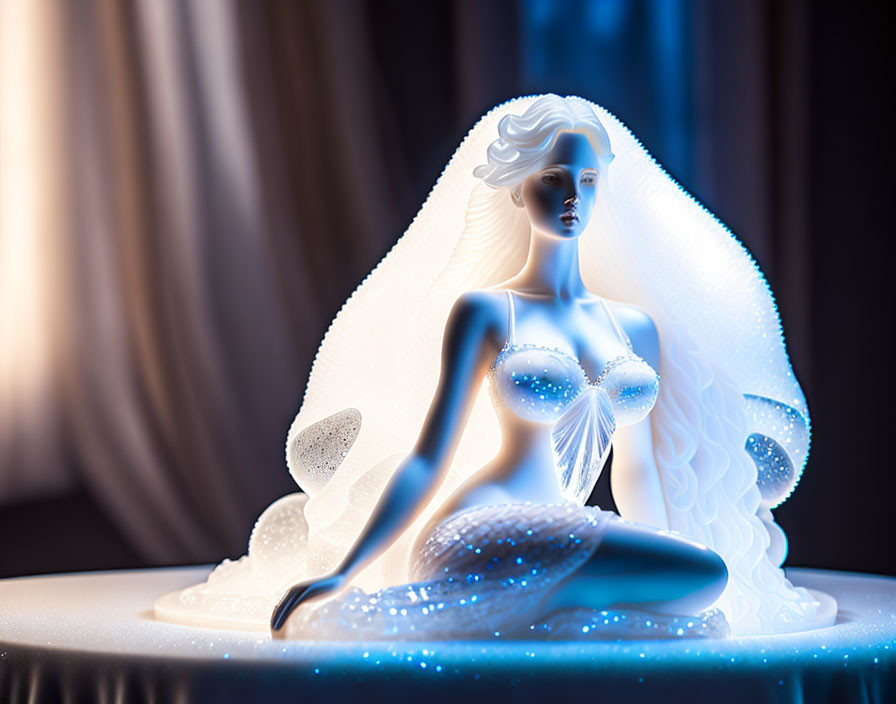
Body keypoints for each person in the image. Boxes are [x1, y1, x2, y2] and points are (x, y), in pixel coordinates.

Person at [263, 95, 819, 640]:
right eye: (553, 178)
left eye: (588, 181)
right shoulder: (487, 312)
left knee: (702, 577)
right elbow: (429, 458)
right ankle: (516, 604)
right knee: (688, 583)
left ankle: (525, 610)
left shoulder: (634, 328)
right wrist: (344, 570)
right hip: (478, 529)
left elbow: (636, 470)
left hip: (571, 530)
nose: (573, 197)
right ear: (517, 188)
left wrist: (652, 551)